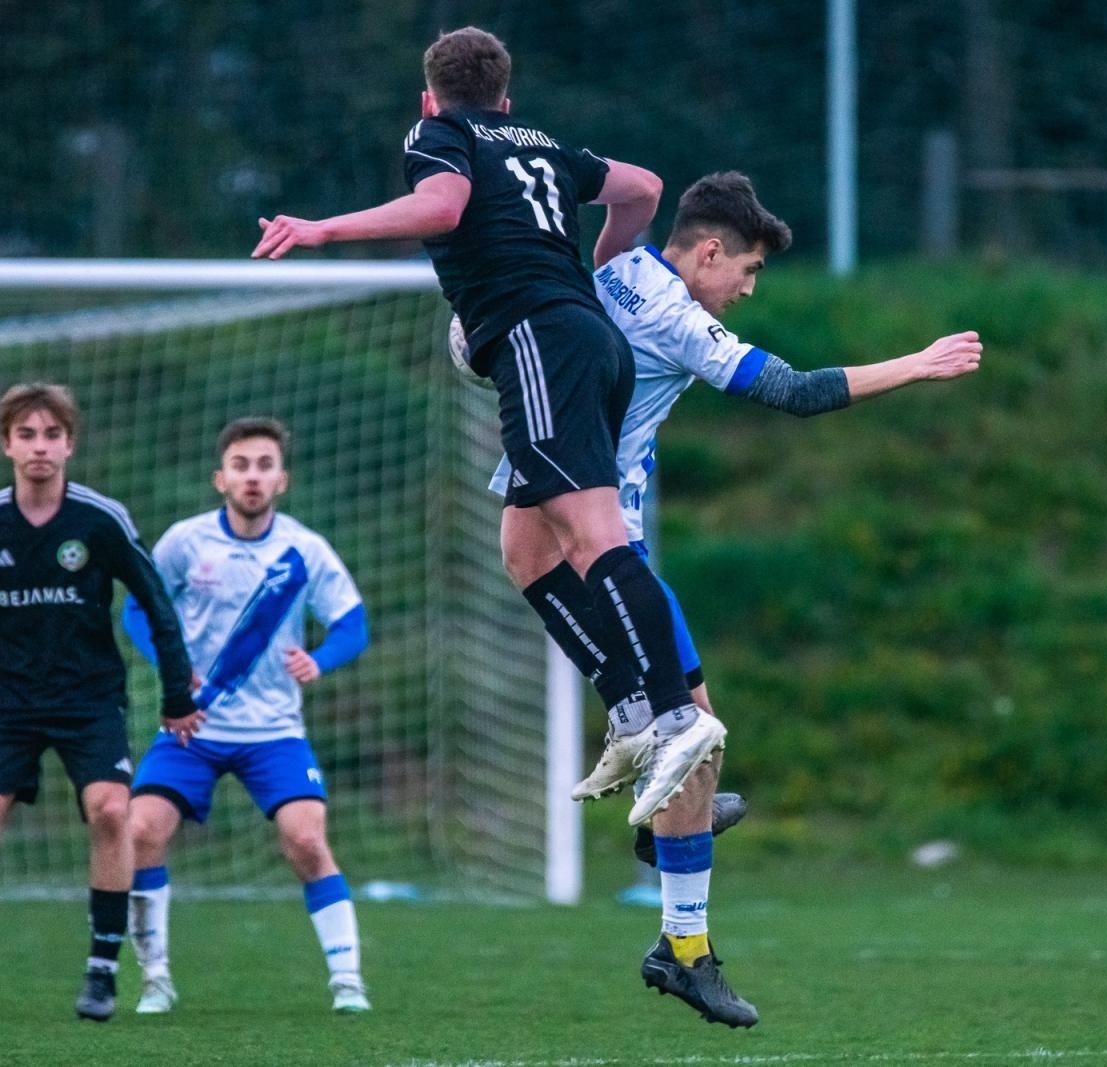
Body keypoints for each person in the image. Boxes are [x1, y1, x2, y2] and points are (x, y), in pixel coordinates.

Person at [490, 171, 982, 1025]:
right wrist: (919, 364)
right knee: (693, 739)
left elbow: (622, 207)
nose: (747, 292)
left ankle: (667, 856)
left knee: (696, 741)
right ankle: (683, 947)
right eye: (747, 272)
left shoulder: (620, 268)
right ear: (708, 252)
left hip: (569, 532)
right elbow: (791, 391)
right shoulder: (676, 316)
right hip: (594, 548)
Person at [253, 33, 724, 862]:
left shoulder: (441, 136)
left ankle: (678, 718)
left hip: (542, 343)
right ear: (505, 97)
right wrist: (607, 256)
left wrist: (323, 229)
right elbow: (644, 187)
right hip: (581, 342)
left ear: (428, 98)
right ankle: (630, 706)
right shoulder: (539, 142)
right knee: (525, 546)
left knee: (593, 538)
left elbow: (441, 208)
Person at [0, 383, 201, 1022]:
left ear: (70, 444)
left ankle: (101, 973)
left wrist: (177, 696)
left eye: (52, 435)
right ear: (7, 444)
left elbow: (155, 603)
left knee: (111, 811)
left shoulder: (101, 520)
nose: (40, 447)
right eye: (27, 435)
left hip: (89, 700)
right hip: (8, 703)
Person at [120, 418, 372, 1014]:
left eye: (264, 465)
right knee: (139, 832)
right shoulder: (185, 542)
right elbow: (137, 609)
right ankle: (155, 979)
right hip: (193, 725)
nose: (252, 476)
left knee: (307, 841)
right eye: (241, 465)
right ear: (220, 478)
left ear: (281, 479)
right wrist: (173, 668)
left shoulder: (304, 550)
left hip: (274, 731)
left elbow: (352, 623)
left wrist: (320, 659)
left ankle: (349, 984)